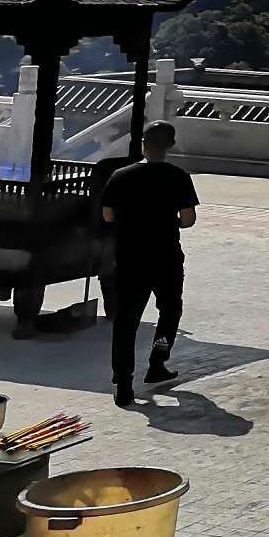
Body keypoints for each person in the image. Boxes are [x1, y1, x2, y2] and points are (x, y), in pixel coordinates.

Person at [99, 120, 199, 406]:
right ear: (171, 146)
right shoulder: (178, 177)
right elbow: (188, 220)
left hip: (129, 258)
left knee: (126, 321)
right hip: (166, 257)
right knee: (170, 310)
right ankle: (157, 361)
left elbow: (107, 215)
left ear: (143, 144)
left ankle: (123, 383)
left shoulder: (120, 176)